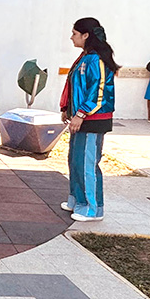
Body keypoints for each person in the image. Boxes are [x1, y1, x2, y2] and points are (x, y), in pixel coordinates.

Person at [60, 17, 119, 222]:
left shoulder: (96, 59)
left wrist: (81, 113)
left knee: (87, 163)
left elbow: (98, 90)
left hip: (93, 119)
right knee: (75, 160)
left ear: (86, 35)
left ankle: (92, 208)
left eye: (74, 34)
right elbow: (75, 86)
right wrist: (67, 109)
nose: (71, 37)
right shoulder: (84, 57)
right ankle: (78, 200)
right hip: (80, 117)